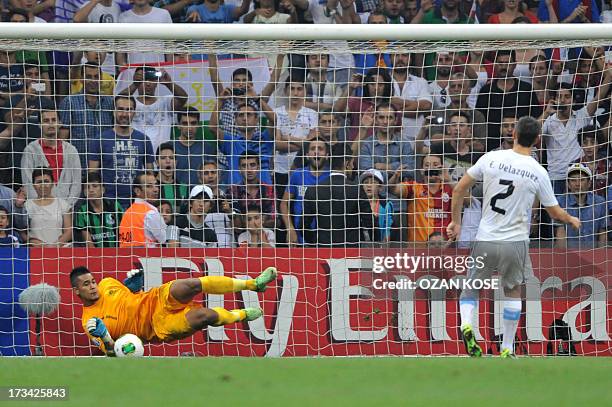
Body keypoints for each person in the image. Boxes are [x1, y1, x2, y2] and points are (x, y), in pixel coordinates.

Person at [447, 116, 581, 358]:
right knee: (512, 292)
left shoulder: (492, 158)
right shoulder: (538, 171)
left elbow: (458, 189)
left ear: (514, 135)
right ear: (538, 140)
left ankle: (467, 324)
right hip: (515, 242)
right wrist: (570, 219)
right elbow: (553, 211)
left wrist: (456, 222)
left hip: (485, 238)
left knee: (471, 288)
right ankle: (507, 347)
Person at [71, 265, 278, 356]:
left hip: (156, 298)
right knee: (203, 316)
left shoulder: (108, 283)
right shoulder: (89, 321)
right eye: (86, 285)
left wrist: (132, 287)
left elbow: (127, 296)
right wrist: (106, 337)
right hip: (157, 327)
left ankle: (253, 283)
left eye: (93, 281)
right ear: (77, 291)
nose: (93, 286)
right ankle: (241, 315)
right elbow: (112, 352)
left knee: (191, 284)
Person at [88, 95, 155, 209]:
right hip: (108, 203)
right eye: (120, 109)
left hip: (137, 202)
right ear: (114, 111)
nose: (124, 114)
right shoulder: (100, 140)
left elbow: (150, 175)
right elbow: (93, 176)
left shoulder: (144, 140)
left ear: (134, 112)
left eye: (128, 110)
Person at [302, 143, 364, 247]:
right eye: (353, 163)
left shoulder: (313, 190)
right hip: (351, 252)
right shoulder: (356, 189)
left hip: (323, 249)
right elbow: (369, 222)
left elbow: (303, 225)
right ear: (346, 163)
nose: (353, 167)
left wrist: (314, 242)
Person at [58, 62, 115, 169]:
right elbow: (63, 138)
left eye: (96, 77)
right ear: (81, 79)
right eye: (89, 77)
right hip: (78, 165)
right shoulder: (69, 102)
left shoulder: (110, 102)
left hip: (105, 165)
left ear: (101, 78)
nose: (93, 80)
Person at [21, 109, 82, 206]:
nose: (50, 124)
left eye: (54, 120)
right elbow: (28, 183)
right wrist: (43, 206)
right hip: (40, 210)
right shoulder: (30, 150)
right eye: (46, 121)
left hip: (67, 209)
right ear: (39, 125)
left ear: (60, 123)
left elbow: (76, 183)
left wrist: (66, 207)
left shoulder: (71, 150)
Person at [119, 66, 188, 151]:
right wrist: (135, 84)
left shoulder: (166, 101)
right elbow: (118, 102)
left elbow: (183, 98)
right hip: (135, 156)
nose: (148, 84)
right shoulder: (130, 104)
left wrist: (169, 83)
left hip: (162, 158)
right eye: (144, 80)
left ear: (156, 82)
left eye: (151, 79)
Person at [280, 137, 330, 246]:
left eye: (320, 149)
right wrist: (290, 229)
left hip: (327, 238)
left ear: (327, 155)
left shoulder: (332, 176)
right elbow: (284, 203)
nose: (316, 151)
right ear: (307, 154)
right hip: (300, 238)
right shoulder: (298, 174)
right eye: (313, 148)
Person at [395, 154, 453, 244]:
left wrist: (448, 179)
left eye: (435, 165)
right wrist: (395, 176)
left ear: (442, 168)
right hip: (418, 249)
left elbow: (468, 200)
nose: (431, 168)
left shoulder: (450, 188)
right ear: (422, 170)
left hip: (444, 249)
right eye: (427, 165)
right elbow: (393, 189)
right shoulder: (414, 187)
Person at [556, 163, 607, 248]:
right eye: (573, 180)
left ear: (589, 183)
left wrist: (599, 257)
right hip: (570, 255)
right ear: (568, 184)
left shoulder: (600, 202)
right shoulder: (560, 202)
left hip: (593, 255)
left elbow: (602, 233)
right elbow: (560, 233)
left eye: (581, 180)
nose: (577, 184)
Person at [74, 171, 124, 248]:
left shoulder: (115, 206)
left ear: (103, 189)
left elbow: (125, 230)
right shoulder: (81, 211)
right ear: (84, 192)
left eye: (95, 186)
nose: (91, 190)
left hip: (117, 253)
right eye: (87, 187)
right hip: (95, 255)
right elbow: (88, 242)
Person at [25, 168, 73, 247]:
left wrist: (54, 247)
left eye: (46, 181)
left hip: (59, 251)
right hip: (35, 251)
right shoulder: (27, 205)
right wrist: (31, 241)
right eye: (39, 182)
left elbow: (69, 232)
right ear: (33, 185)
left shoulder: (63, 204)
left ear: (53, 183)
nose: (43, 185)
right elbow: (22, 232)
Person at [118, 170, 167, 248]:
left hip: (126, 258)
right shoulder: (151, 212)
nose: (156, 189)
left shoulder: (127, 213)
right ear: (137, 191)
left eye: (156, 185)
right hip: (147, 258)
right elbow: (164, 239)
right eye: (149, 186)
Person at [358, 168, 394, 243]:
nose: (368, 185)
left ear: (380, 187)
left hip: (379, 246)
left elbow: (387, 230)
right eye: (366, 182)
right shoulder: (357, 203)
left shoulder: (386, 205)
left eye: (373, 182)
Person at [156, 142, 189, 213]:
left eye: (171, 158)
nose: (168, 161)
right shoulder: (150, 187)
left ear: (176, 162)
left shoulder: (184, 187)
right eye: (163, 158)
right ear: (157, 163)